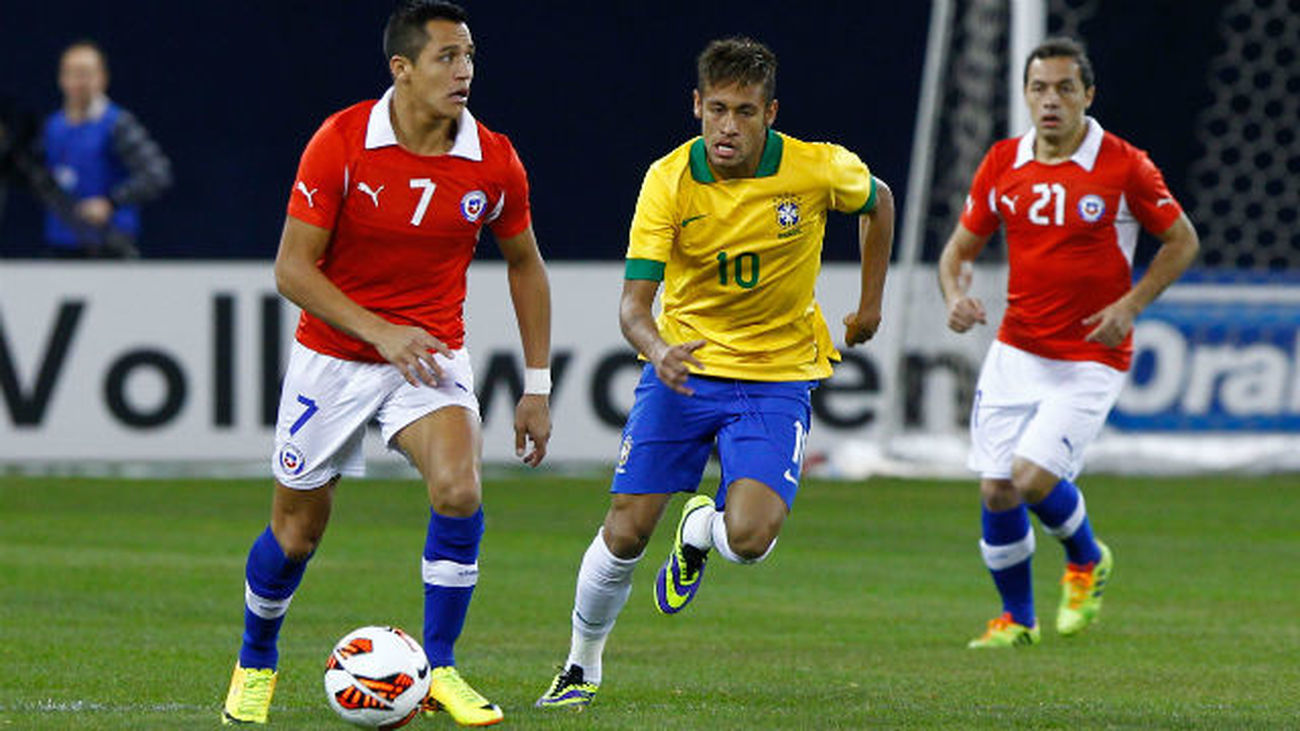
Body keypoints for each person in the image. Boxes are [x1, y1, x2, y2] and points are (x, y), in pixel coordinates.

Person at [536, 36, 893, 710]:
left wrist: (870, 301)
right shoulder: (667, 180)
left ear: (770, 113)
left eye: (747, 112)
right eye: (718, 109)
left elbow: (880, 201)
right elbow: (633, 305)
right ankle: (581, 665)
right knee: (626, 529)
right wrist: (657, 345)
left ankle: (701, 528)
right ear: (697, 105)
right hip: (685, 372)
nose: (729, 126)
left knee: (752, 540)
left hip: (777, 376)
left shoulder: (818, 169)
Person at [221, 2, 552, 725]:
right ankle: (255, 658)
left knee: (460, 490)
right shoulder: (341, 142)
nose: (463, 70)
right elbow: (292, 269)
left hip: (429, 356)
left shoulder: (493, 158)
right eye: (445, 57)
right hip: (332, 358)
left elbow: (525, 265)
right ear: (401, 69)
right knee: (294, 535)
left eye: (469, 56)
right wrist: (381, 332)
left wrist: (536, 385)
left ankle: (440, 667)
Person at [937, 37, 1198, 648]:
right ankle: (1016, 619)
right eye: (1038, 88)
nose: (1049, 101)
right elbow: (958, 252)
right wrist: (955, 296)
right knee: (996, 486)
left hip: (1090, 355)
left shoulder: (1124, 165)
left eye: (1063, 88)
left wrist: (1130, 306)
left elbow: (1182, 240)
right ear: (1025, 95)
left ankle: (1086, 558)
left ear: (1088, 95)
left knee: (1030, 478)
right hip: (1016, 349)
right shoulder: (1003, 161)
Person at [41, 40, 171, 258]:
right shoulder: (53, 126)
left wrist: (111, 202)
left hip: (109, 245)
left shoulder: (117, 124)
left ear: (102, 78)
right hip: (62, 245)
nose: (79, 82)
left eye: (86, 74)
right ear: (61, 79)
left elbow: (157, 173)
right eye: (72, 73)